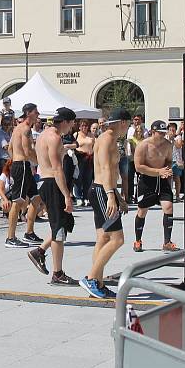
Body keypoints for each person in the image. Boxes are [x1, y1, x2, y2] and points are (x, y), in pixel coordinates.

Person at [81, 108, 131, 300]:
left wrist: (117, 196)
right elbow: (104, 168)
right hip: (102, 191)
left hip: (102, 190)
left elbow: (107, 171)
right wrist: (111, 195)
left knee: (102, 239)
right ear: (123, 123)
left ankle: (98, 283)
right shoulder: (108, 138)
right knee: (117, 239)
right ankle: (91, 278)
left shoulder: (105, 138)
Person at [27, 107, 77, 285]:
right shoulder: (55, 137)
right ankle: (58, 273)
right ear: (64, 122)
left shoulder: (42, 135)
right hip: (52, 183)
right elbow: (57, 169)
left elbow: (40, 157)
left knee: (63, 223)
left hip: (44, 181)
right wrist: (67, 195)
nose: (71, 128)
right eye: (71, 124)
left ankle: (39, 251)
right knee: (59, 230)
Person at [132, 121, 178, 253]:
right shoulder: (143, 145)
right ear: (153, 131)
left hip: (162, 179)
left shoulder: (168, 145)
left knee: (168, 206)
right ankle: (138, 240)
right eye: (160, 133)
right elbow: (139, 167)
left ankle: (167, 242)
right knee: (142, 210)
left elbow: (169, 160)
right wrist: (158, 171)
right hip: (147, 180)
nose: (163, 136)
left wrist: (168, 169)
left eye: (164, 133)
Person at [5, 103, 41, 248]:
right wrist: (41, 162)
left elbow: (9, 148)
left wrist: (15, 161)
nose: (38, 114)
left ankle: (29, 233)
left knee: (36, 198)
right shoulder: (26, 129)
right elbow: (28, 152)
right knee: (18, 201)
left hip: (21, 165)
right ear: (28, 113)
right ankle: (10, 237)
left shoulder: (17, 128)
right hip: (22, 166)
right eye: (35, 111)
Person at [74, 120, 96, 206]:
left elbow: (94, 146)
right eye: (82, 125)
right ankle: (78, 197)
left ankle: (86, 197)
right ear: (79, 127)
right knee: (78, 178)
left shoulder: (91, 135)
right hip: (79, 158)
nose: (84, 127)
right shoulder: (76, 135)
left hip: (89, 158)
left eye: (86, 126)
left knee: (88, 179)